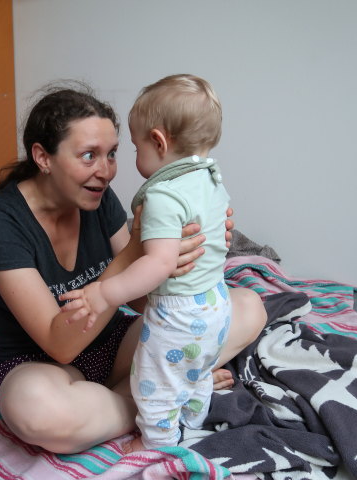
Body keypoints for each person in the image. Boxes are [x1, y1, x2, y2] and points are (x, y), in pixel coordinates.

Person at [0, 82, 266, 454]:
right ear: (43, 157)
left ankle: (153, 393)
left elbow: (140, 300)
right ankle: (160, 400)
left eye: (112, 154)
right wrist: (132, 256)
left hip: (114, 340)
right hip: (46, 362)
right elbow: (59, 345)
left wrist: (194, 256)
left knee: (248, 305)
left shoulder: (99, 198)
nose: (106, 171)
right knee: (36, 412)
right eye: (89, 156)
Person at [60, 74, 233, 452]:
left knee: (151, 384)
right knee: (197, 372)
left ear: (158, 142)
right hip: (216, 305)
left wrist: (104, 293)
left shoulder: (163, 195)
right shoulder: (211, 179)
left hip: (179, 314)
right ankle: (192, 421)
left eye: (133, 149)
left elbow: (156, 265)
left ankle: (157, 446)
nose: (115, 166)